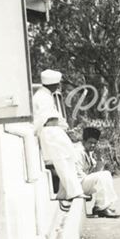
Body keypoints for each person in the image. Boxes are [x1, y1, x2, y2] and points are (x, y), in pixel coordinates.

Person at [32, 69, 83, 201]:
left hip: (55, 131)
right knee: (61, 160)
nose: (59, 86)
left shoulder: (47, 95)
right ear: (53, 84)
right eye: (58, 83)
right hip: (50, 132)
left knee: (69, 157)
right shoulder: (41, 97)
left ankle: (63, 192)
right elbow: (42, 119)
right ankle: (74, 192)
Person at [74, 127, 120, 218]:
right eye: (90, 142)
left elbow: (95, 172)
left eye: (94, 143)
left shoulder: (88, 151)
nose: (92, 145)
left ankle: (100, 206)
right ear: (84, 141)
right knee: (102, 176)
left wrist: (99, 161)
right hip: (76, 183)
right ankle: (101, 208)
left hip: (83, 181)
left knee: (106, 174)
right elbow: (77, 174)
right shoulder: (78, 151)